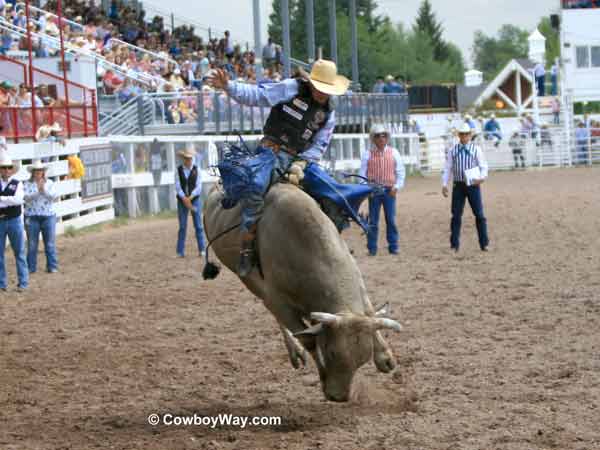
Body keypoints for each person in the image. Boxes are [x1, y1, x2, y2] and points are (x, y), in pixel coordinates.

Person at [206, 59, 348, 276]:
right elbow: (258, 95)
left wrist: (303, 161)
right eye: (320, 88)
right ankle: (246, 246)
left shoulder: (329, 112)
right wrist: (229, 86)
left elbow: (320, 143)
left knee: (336, 195)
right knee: (256, 187)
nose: (322, 94)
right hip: (270, 152)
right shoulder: (292, 88)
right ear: (311, 83)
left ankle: (334, 250)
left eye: (327, 90)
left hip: (299, 160)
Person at [441, 123, 489, 252]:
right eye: (462, 134)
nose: (464, 136)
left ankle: (484, 243)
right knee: (456, 215)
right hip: (458, 185)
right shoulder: (453, 150)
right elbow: (448, 168)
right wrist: (444, 184)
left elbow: (483, 166)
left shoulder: (476, 149)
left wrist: (482, 178)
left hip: (473, 184)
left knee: (479, 214)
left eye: (466, 134)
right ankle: (454, 244)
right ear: (459, 135)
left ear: (470, 135)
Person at [359, 124, 405, 256]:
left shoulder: (394, 152)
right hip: (374, 191)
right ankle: (372, 248)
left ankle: (393, 246)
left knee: (391, 219)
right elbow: (362, 174)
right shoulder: (367, 154)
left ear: (387, 137)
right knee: (373, 220)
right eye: (378, 136)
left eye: (383, 135)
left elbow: (400, 172)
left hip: (389, 190)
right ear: (373, 138)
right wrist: (365, 189)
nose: (381, 138)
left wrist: (396, 187)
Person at [0, 143, 28, 291]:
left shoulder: (18, 183)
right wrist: (8, 199)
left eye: (8, 167)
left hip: (14, 220)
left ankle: (23, 283)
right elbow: (14, 199)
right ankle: (1, 284)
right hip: (2, 221)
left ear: (12, 169)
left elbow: (19, 200)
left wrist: (2, 199)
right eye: (3, 167)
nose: (6, 170)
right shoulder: (15, 185)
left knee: (19, 252)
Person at [23, 160, 58, 274]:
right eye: (36, 170)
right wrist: (38, 192)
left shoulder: (50, 183)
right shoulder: (27, 184)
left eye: (40, 170)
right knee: (32, 244)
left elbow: (54, 197)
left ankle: (52, 266)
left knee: (50, 243)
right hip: (32, 216)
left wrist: (44, 191)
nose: (38, 172)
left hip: (48, 216)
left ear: (43, 172)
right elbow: (26, 198)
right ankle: (31, 267)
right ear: (32, 172)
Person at [175, 148, 205, 258]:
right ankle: (180, 251)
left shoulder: (197, 170)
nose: (188, 160)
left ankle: (202, 249)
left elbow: (199, 187)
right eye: (186, 158)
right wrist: (185, 199)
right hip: (182, 201)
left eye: (190, 158)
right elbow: (178, 187)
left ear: (192, 159)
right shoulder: (178, 170)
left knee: (198, 226)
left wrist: (190, 197)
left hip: (195, 199)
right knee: (182, 226)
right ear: (184, 159)